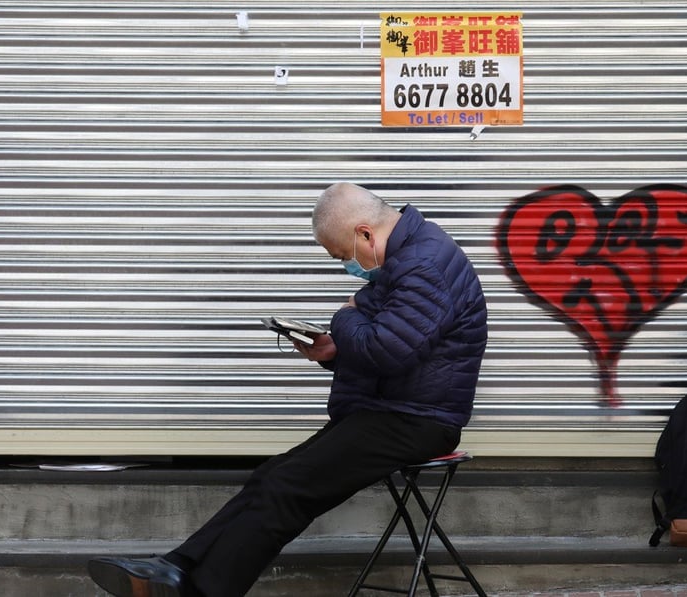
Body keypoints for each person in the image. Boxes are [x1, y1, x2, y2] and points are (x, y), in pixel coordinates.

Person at [88, 182, 489, 597]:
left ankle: (197, 591)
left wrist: (343, 318)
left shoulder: (424, 265)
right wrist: (333, 350)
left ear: (365, 234)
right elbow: (390, 342)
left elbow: (383, 349)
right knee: (273, 476)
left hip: (417, 420)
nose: (346, 266)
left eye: (342, 256)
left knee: (288, 488)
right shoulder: (409, 257)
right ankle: (175, 567)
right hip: (391, 409)